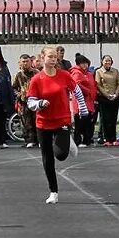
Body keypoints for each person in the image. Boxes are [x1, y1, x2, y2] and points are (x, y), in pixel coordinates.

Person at [26, 46, 88, 204]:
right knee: (48, 159)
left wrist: (83, 108)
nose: (53, 59)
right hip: (43, 123)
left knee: (60, 155)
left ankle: (67, 141)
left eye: (55, 57)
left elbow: (77, 91)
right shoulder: (36, 79)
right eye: (50, 56)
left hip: (62, 120)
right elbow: (30, 102)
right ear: (42, 58)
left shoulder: (64, 75)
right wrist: (40, 103)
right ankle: (53, 191)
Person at [11, 54, 38, 147]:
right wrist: (19, 94)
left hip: (35, 101)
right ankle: (29, 141)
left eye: (27, 61)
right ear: (20, 63)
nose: (25, 63)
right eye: (23, 62)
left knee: (37, 121)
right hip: (23, 102)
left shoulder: (37, 73)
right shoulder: (18, 75)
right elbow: (13, 88)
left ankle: (38, 140)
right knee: (26, 122)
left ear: (31, 62)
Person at [70, 54, 98, 147]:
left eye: (86, 63)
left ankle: (87, 139)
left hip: (90, 101)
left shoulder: (89, 74)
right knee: (80, 123)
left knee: (88, 122)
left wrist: (93, 96)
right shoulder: (76, 73)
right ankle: (79, 140)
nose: (85, 65)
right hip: (81, 102)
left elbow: (93, 85)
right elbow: (76, 85)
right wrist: (87, 91)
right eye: (83, 63)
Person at [94, 54, 119, 145]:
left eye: (109, 60)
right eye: (106, 60)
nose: (107, 62)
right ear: (102, 61)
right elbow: (98, 85)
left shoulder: (115, 71)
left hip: (115, 98)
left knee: (113, 119)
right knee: (105, 119)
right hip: (104, 98)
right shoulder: (99, 71)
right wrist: (107, 95)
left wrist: (116, 95)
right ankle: (106, 139)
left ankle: (113, 138)